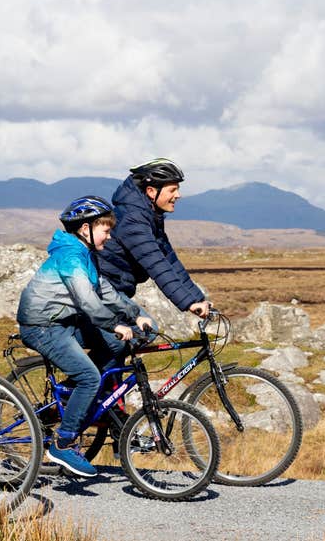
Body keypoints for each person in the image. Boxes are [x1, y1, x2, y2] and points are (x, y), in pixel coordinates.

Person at [16, 196, 154, 477]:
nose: (109, 235)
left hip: (64, 322)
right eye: (105, 229)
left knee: (117, 345)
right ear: (85, 229)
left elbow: (105, 291)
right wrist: (116, 323)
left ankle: (75, 396)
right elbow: (88, 302)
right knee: (90, 376)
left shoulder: (84, 254)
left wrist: (137, 313)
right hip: (43, 327)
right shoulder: (70, 257)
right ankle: (63, 444)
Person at [97, 157, 211, 319]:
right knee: (139, 333)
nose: (178, 195)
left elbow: (170, 261)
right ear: (151, 191)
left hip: (115, 289)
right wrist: (189, 303)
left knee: (140, 333)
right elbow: (156, 264)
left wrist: (198, 298)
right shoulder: (133, 220)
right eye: (172, 190)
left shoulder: (149, 217)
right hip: (103, 290)